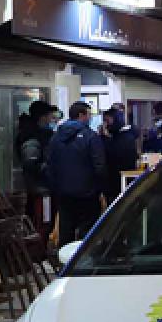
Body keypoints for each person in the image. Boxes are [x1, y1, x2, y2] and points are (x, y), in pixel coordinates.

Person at [45, 101, 107, 247]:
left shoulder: (56, 138)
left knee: (66, 230)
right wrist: (101, 189)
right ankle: (83, 264)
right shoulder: (90, 137)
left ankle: (65, 263)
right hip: (88, 194)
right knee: (87, 233)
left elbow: (50, 164)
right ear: (81, 115)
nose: (90, 118)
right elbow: (100, 166)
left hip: (63, 194)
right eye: (89, 114)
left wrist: (55, 188)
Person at [15, 100, 58, 236]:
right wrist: (51, 168)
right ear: (42, 117)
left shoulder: (40, 135)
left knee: (44, 222)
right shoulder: (32, 138)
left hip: (42, 188)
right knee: (43, 223)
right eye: (50, 116)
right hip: (41, 189)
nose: (52, 119)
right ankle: (39, 252)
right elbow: (31, 164)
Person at [100, 108, 138, 203]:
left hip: (119, 181)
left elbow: (113, 156)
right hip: (116, 182)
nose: (105, 124)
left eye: (107, 121)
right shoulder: (123, 136)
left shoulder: (124, 137)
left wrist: (104, 138)